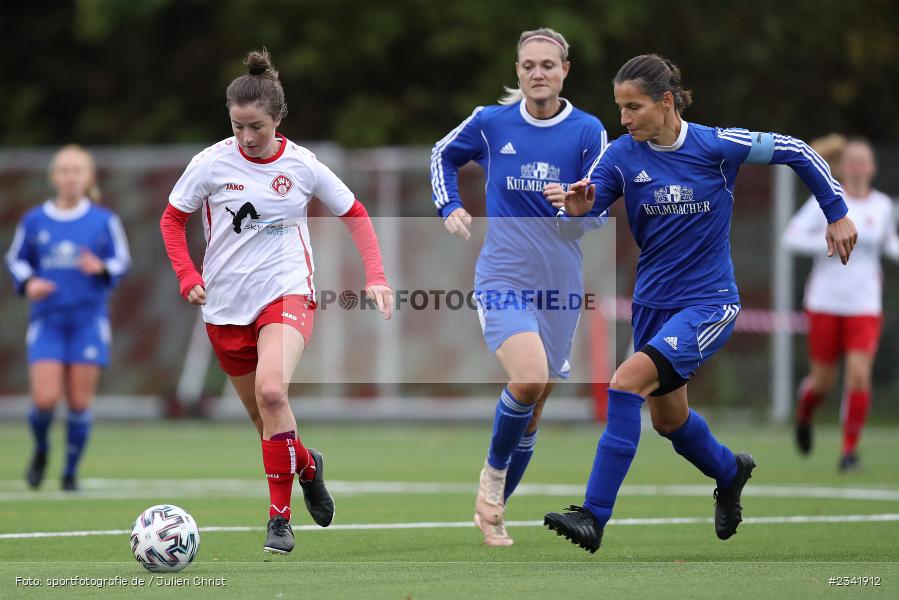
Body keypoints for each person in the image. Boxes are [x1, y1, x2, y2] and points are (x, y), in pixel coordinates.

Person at [541, 54, 857, 553]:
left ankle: (594, 516)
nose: (623, 119)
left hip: (708, 304)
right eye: (619, 107)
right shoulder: (621, 156)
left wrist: (836, 212)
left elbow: (798, 150)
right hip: (652, 306)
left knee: (624, 384)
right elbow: (581, 217)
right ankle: (730, 471)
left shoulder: (716, 145)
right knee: (668, 420)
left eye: (634, 107)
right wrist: (575, 213)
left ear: (667, 102)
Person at [159, 49, 393, 555]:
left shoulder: (303, 165)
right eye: (238, 126)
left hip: (286, 293)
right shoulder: (211, 163)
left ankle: (279, 521)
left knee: (271, 392)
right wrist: (186, 275)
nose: (246, 137)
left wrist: (376, 276)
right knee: (268, 419)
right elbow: (171, 220)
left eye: (257, 127)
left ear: (278, 119)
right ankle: (308, 466)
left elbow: (354, 212)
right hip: (224, 306)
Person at [430, 28, 608, 546]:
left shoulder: (589, 131)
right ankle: (491, 481)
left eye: (548, 65)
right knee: (527, 379)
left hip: (561, 285)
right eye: (529, 65)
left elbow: (597, 211)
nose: (537, 73)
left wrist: (577, 208)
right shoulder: (491, 122)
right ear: (518, 70)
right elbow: (441, 153)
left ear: (565, 71)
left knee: (533, 412)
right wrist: (449, 205)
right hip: (502, 277)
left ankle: (494, 509)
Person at [5, 144, 132, 492]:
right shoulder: (35, 220)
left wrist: (100, 266)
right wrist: (30, 282)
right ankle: (42, 450)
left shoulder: (103, 220)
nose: (71, 176)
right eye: (64, 170)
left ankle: (70, 471)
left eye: (77, 170)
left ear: (88, 176)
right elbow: (16, 259)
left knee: (78, 402)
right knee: (45, 399)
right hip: (48, 321)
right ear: (54, 177)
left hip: (88, 321)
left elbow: (121, 260)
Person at [785, 138, 899, 471]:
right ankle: (805, 412)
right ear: (841, 167)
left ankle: (849, 452)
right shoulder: (828, 200)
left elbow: (889, 244)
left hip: (864, 304)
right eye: (852, 161)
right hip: (825, 302)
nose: (858, 167)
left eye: (864, 161)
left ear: (873, 167)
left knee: (859, 377)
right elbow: (790, 237)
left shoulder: (882, 206)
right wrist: (828, 240)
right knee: (823, 382)